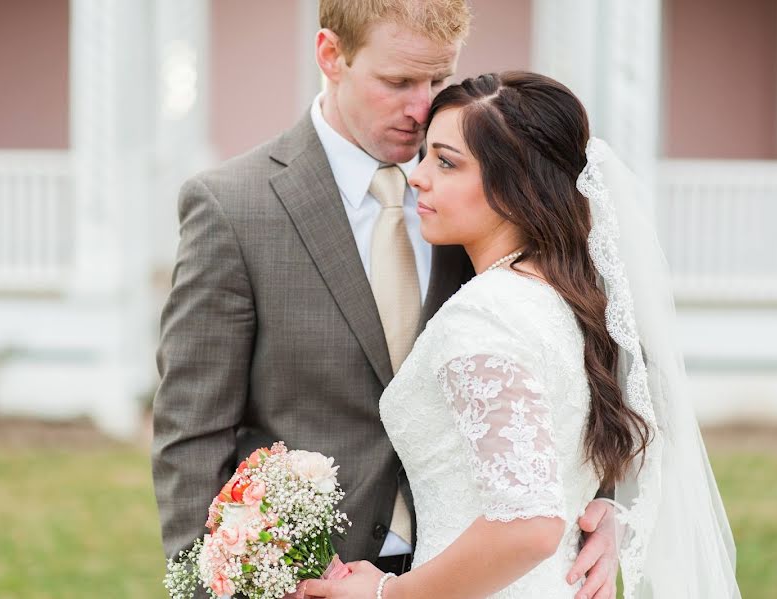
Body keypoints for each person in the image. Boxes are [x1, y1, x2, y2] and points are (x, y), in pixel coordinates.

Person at [152, 3, 618, 597]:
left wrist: (604, 508)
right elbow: (192, 430)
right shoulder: (234, 207)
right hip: (309, 575)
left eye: (437, 81)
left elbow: (598, 366)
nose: (422, 108)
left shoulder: (485, 194)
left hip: (478, 568)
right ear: (331, 55)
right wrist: (212, 581)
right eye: (398, 82)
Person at [304, 72, 740, 598]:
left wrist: (385, 595)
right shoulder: (566, 300)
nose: (417, 177)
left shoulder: (485, 316)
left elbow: (528, 528)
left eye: (445, 162)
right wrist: (610, 511)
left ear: (516, 186)